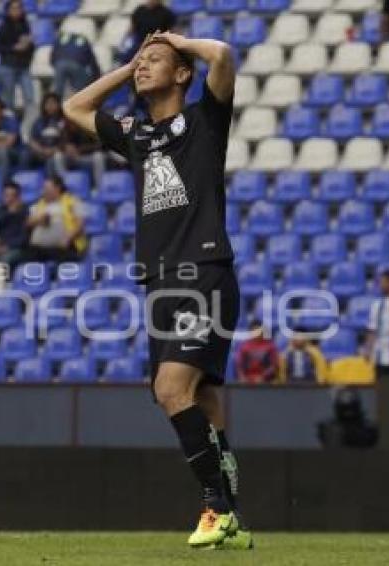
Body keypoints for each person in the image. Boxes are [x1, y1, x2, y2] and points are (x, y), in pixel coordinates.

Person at [63, 32, 249, 547]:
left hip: (204, 271)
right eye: (141, 62)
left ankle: (216, 507)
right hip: (161, 282)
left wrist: (180, 41)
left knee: (171, 389)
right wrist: (128, 66)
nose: (144, 67)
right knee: (199, 394)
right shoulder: (137, 135)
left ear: (183, 74)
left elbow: (224, 56)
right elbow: (76, 107)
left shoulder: (205, 121)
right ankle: (229, 501)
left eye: (155, 61)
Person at [24, 175, 86, 263]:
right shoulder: (40, 204)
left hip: (64, 246)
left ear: (57, 188)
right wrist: (38, 220)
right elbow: (28, 222)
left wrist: (68, 238)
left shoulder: (72, 201)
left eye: (47, 188)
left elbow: (80, 226)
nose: (44, 191)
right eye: (44, 188)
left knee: (63, 257)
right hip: (39, 248)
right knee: (26, 257)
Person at [0, 0, 35, 110]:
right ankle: (10, 124)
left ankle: (30, 124)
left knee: (30, 97)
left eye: (19, 8)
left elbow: (31, 46)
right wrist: (13, 48)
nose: (17, 11)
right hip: (8, 66)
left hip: (24, 66)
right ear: (8, 11)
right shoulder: (3, 27)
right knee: (8, 100)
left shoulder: (25, 25)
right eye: (13, 8)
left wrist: (28, 44)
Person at [23, 93, 66, 175]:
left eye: (53, 103)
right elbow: (32, 140)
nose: (50, 106)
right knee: (25, 155)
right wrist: (42, 150)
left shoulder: (64, 121)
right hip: (41, 151)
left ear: (58, 105)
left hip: (57, 153)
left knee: (51, 160)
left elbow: (65, 141)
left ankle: (51, 183)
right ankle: (25, 179)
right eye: (48, 103)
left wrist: (53, 150)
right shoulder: (39, 121)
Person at [58, 120, 107, 187]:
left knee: (98, 156)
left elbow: (100, 145)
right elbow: (59, 144)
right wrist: (65, 147)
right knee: (58, 156)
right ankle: (63, 187)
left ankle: (100, 187)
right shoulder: (65, 126)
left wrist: (80, 150)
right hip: (71, 157)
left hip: (87, 157)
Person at [51, 32, 101, 97]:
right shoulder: (84, 39)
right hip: (77, 65)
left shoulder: (60, 38)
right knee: (79, 90)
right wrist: (97, 76)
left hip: (60, 64)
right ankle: (78, 101)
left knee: (59, 89)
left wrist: (55, 65)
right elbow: (92, 61)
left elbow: (53, 56)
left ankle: (57, 102)